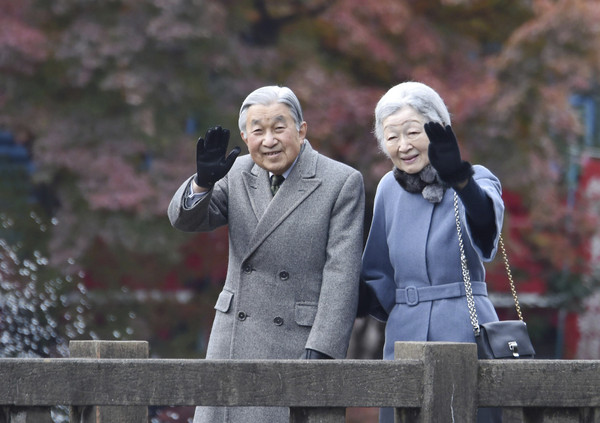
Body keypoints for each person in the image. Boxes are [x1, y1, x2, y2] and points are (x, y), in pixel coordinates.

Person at [168, 85, 365, 423]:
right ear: (245, 136)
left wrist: (324, 347)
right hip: (233, 339)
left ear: (301, 131)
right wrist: (202, 182)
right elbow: (185, 220)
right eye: (257, 130)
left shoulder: (340, 181)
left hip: (299, 341)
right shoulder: (236, 173)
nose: (269, 140)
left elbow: (342, 272)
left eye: (279, 127)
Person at [358, 81, 504, 423]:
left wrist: (461, 181)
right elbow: (378, 277)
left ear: (438, 130)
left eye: (412, 132)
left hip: (467, 331)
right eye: (391, 137)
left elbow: (486, 228)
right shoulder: (387, 191)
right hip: (403, 338)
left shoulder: (477, 178)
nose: (403, 145)